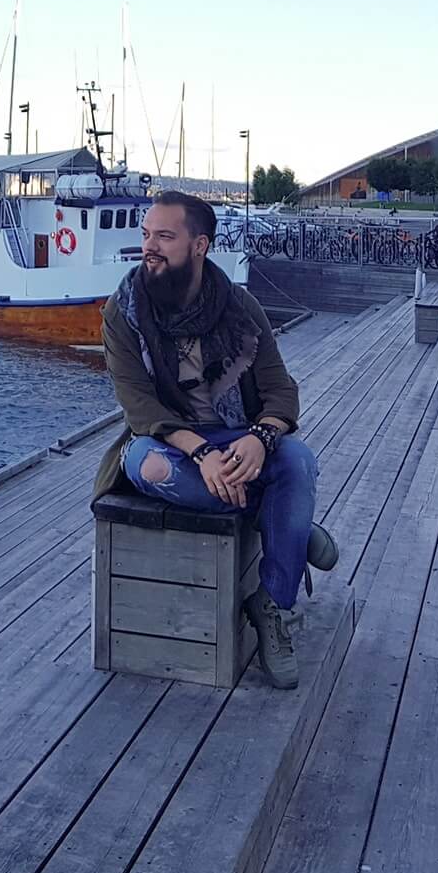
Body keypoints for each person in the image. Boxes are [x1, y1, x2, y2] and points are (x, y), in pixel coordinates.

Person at [96, 192, 338, 690]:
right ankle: (283, 520)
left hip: (236, 433)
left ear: (200, 245)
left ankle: (273, 604)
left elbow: (280, 390)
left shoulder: (240, 308)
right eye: (146, 234)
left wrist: (261, 437)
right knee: (152, 469)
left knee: (296, 461)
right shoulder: (124, 311)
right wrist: (201, 452)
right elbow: (140, 408)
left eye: (165, 236)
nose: (149, 247)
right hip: (163, 441)